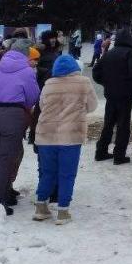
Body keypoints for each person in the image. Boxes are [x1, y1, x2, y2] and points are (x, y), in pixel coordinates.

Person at [32, 54, 97, 225]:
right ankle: (62, 212)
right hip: (70, 136)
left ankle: (41, 208)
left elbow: (41, 105)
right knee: (67, 173)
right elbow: (92, 106)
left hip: (46, 134)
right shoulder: (83, 82)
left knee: (47, 172)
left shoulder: (49, 84)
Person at [0, 39, 40, 214]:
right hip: (14, 116)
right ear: (25, 54)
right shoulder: (27, 72)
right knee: (6, 160)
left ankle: (4, 194)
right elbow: (33, 97)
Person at [92, 27, 132, 164]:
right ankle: (119, 155)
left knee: (108, 124)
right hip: (125, 96)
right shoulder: (130, 53)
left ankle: (101, 152)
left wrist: (106, 83)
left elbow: (96, 72)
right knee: (123, 125)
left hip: (110, 95)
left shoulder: (109, 54)